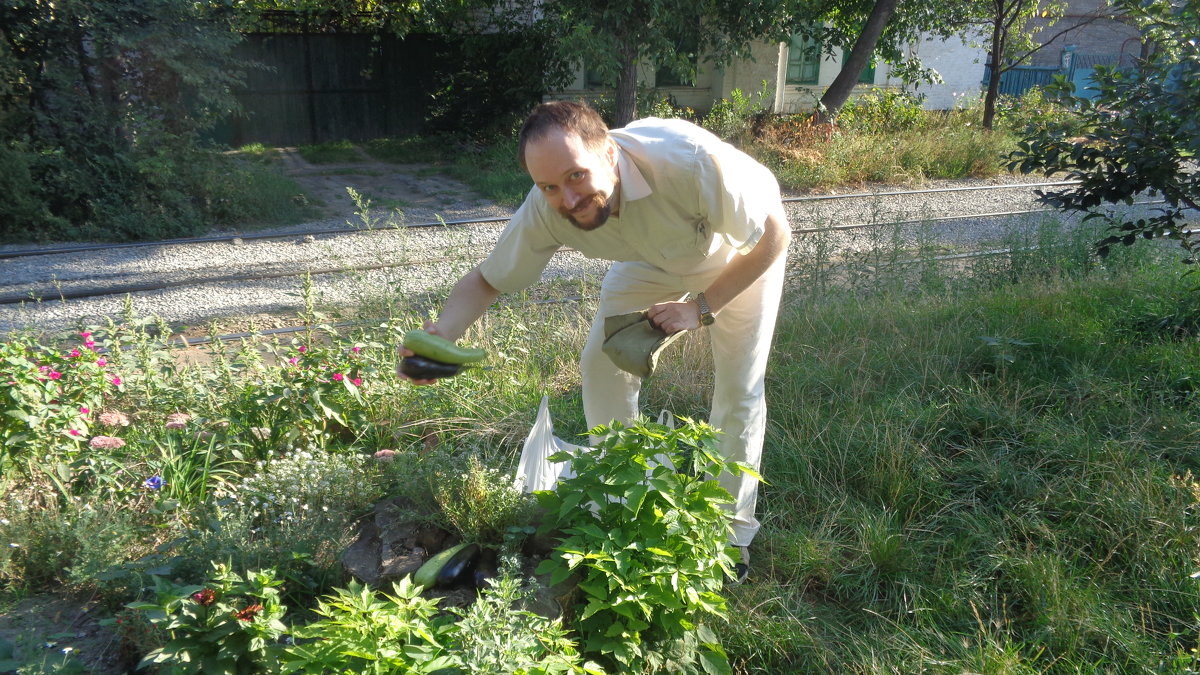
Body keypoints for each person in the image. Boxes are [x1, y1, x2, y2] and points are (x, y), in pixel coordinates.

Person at [401, 100, 791, 580]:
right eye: (548, 186)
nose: (566, 199)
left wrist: (702, 307)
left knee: (738, 387)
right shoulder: (547, 209)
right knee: (600, 362)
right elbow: (487, 280)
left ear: (609, 154)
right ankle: (623, 502)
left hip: (741, 251)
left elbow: (774, 236)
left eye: (575, 177)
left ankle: (731, 537)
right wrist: (438, 339)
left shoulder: (689, 163)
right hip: (650, 258)